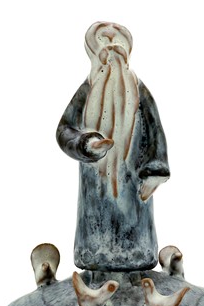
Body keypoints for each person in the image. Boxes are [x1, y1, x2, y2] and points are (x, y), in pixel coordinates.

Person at [57, 22, 170, 272]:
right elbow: (64, 130)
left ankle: (136, 266)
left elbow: (155, 131)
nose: (111, 48)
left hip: (134, 183)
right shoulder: (87, 91)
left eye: (117, 43)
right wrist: (86, 144)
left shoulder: (140, 92)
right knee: (96, 228)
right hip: (95, 186)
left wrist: (155, 171)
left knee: (134, 225)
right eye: (104, 42)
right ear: (93, 52)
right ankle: (96, 265)